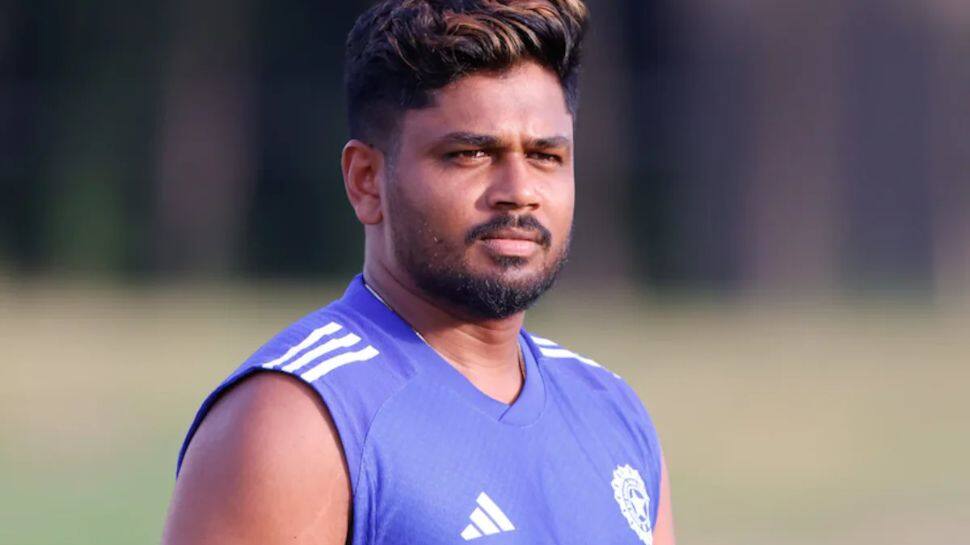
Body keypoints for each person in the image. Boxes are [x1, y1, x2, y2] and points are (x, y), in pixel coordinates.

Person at [162, 1, 674, 543]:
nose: (519, 191)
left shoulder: (612, 413)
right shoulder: (299, 421)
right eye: (471, 153)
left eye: (545, 156)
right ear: (366, 180)